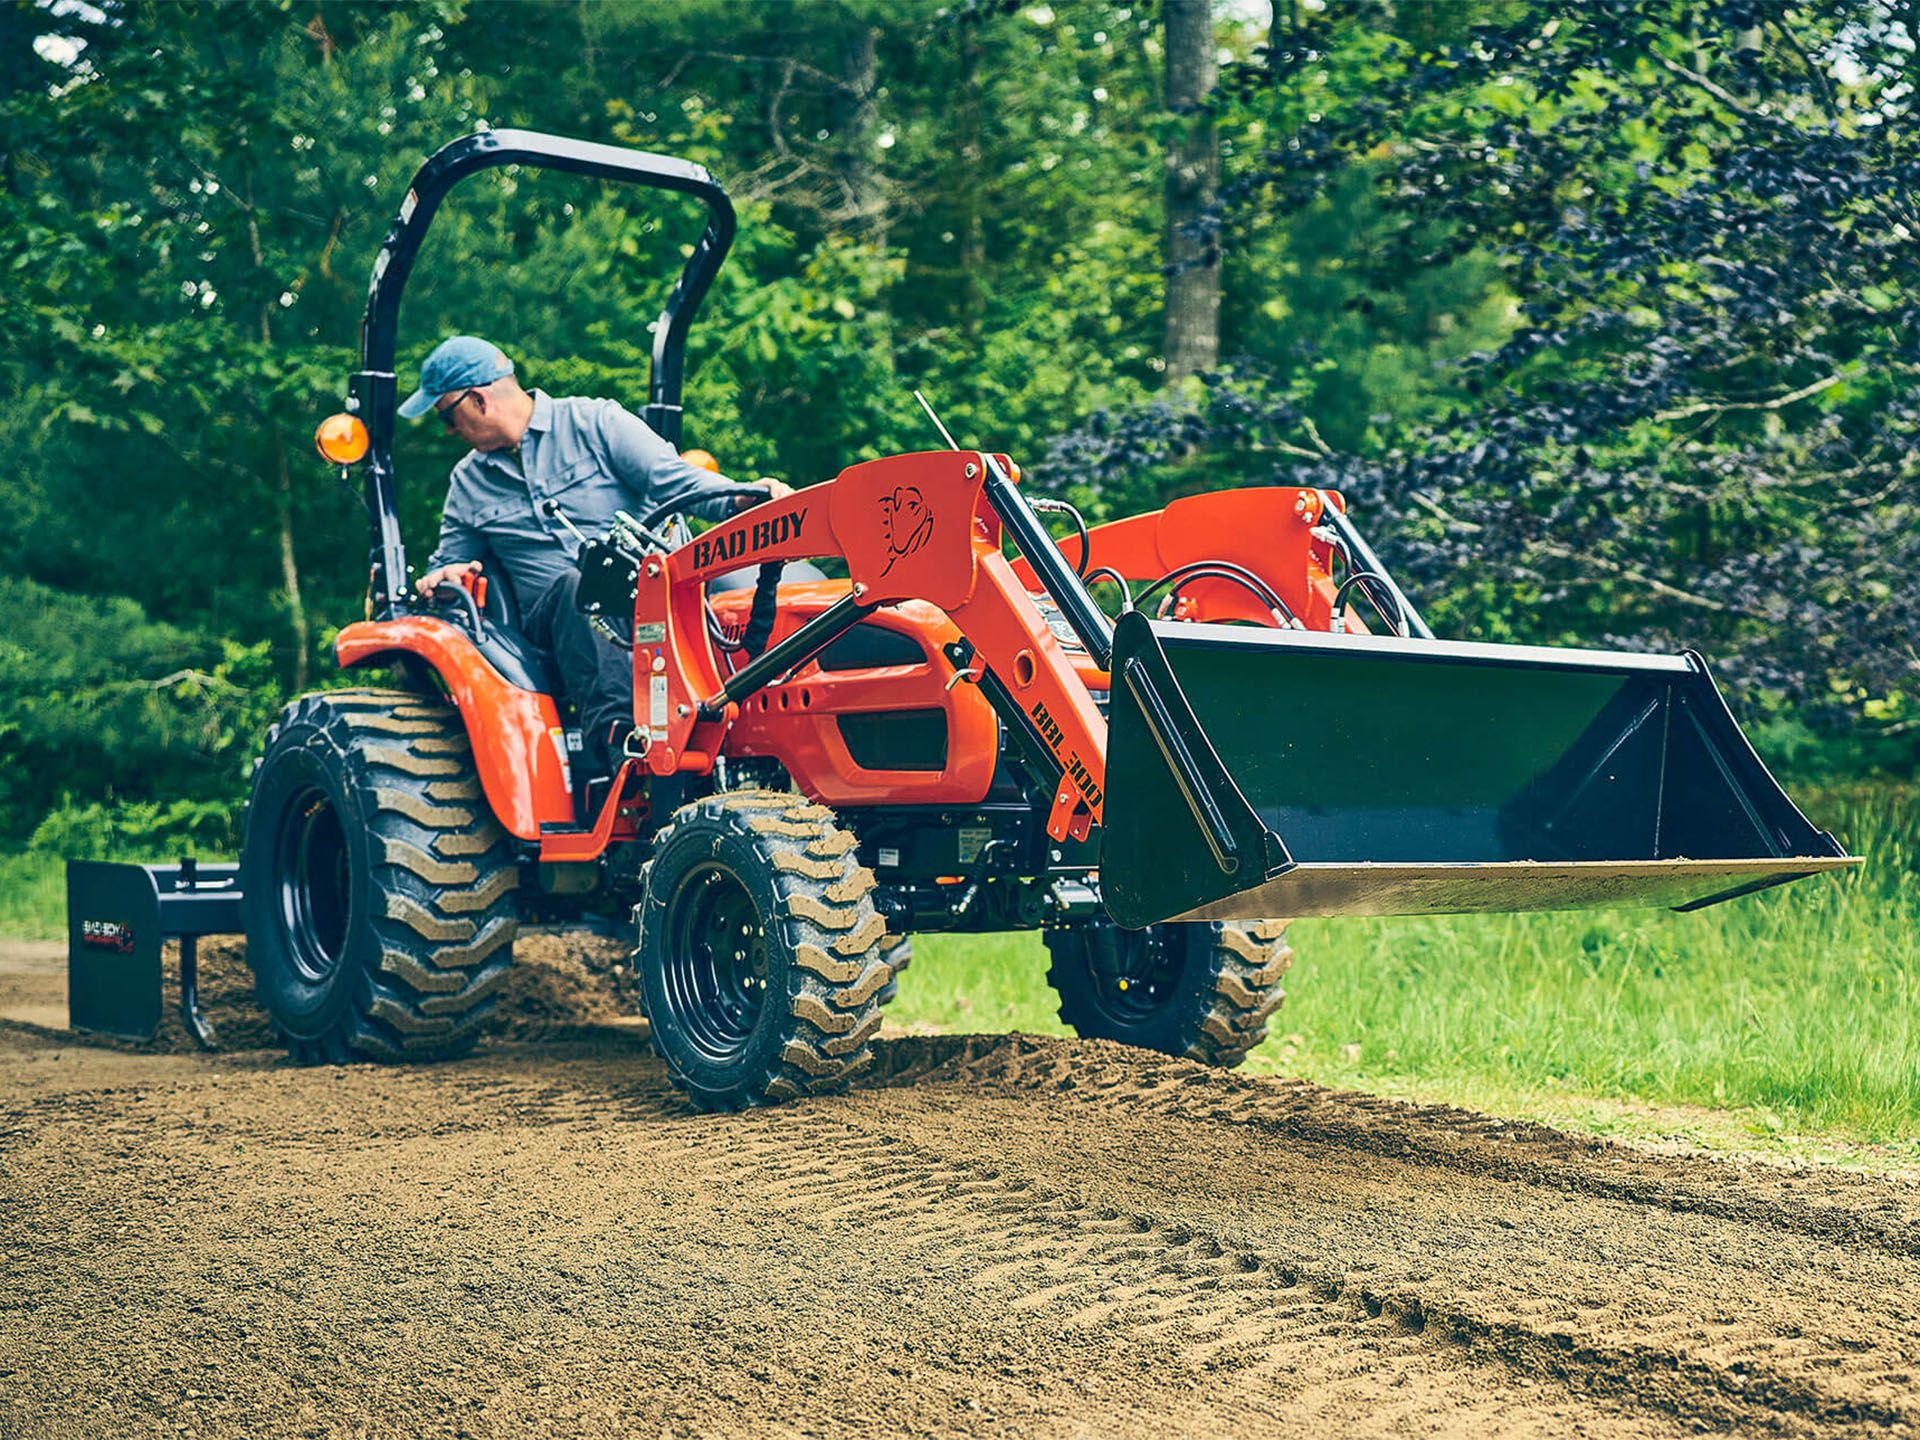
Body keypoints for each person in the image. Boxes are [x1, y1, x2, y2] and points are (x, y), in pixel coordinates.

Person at [403, 335, 791, 788]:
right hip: (554, 623)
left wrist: (749, 498)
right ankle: (624, 751)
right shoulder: (468, 482)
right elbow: (449, 560)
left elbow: (679, 484)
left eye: (447, 416)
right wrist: (444, 574)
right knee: (579, 585)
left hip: (652, 598)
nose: (449, 431)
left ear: (477, 399)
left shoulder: (596, 422)